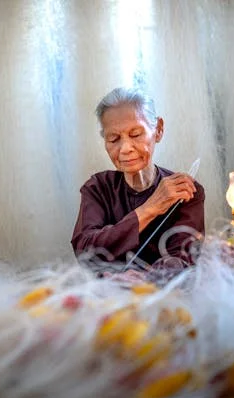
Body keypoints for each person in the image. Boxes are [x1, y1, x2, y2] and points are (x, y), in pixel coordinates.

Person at [70, 87, 205, 271]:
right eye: (113, 139)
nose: (125, 148)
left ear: (158, 130)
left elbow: (182, 262)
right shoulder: (98, 188)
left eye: (135, 134)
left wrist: (145, 279)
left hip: (165, 289)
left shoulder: (184, 190)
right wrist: (149, 208)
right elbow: (85, 252)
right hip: (110, 289)